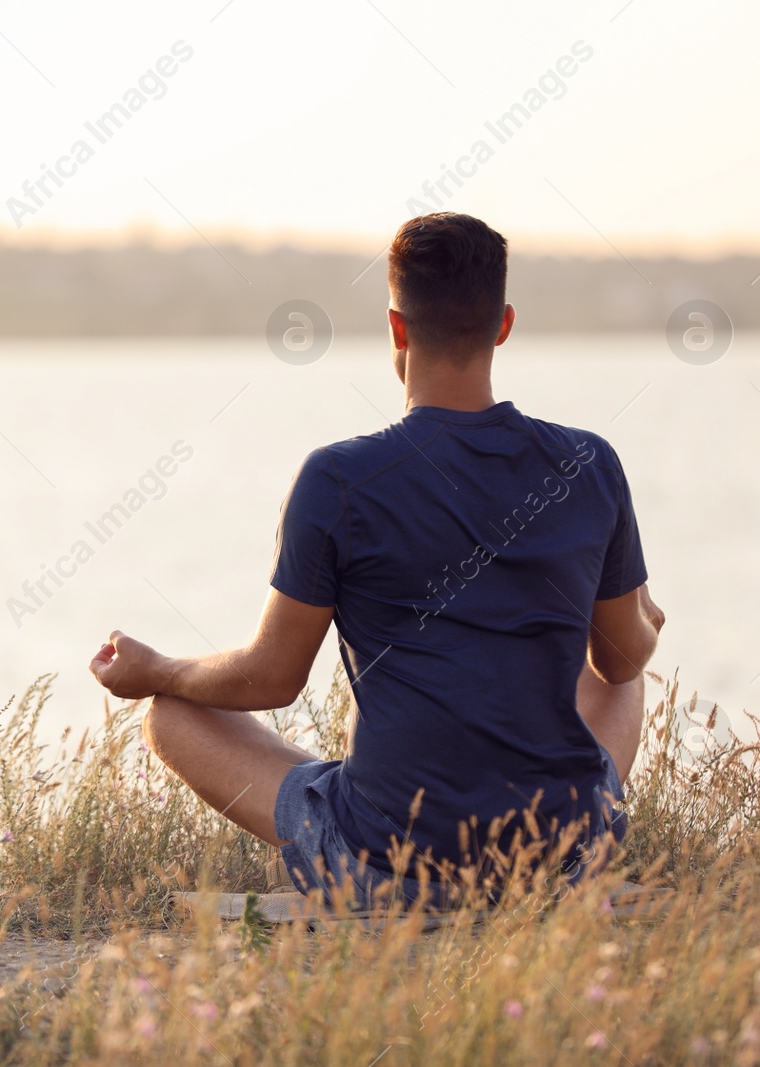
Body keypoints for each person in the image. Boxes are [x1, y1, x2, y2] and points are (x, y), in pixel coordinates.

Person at [89, 212, 664, 906]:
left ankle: (360, 820)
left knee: (169, 717)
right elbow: (624, 663)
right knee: (611, 662)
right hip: (564, 855)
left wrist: (160, 670)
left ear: (396, 328)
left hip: (389, 865)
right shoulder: (588, 463)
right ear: (503, 323)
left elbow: (272, 676)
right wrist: (643, 617)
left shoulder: (338, 479)